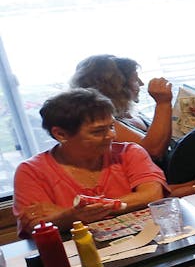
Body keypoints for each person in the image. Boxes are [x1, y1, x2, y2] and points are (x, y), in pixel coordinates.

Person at [13, 89, 166, 238]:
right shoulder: (31, 171)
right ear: (60, 134)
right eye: (98, 131)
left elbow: (152, 195)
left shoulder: (129, 152)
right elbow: (35, 223)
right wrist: (74, 214)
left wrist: (71, 213)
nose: (112, 135)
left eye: (112, 126)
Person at [70, 55, 174, 163]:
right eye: (135, 79)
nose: (141, 83)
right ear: (116, 87)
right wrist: (163, 103)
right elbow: (151, 151)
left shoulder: (129, 112)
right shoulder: (103, 121)